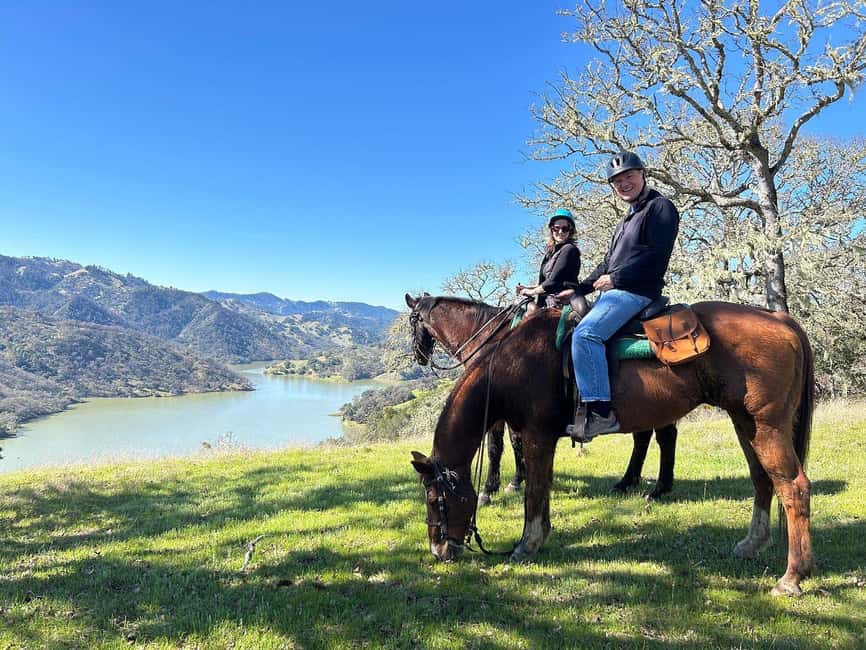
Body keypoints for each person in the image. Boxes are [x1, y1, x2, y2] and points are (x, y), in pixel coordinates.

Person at [558, 152, 680, 440]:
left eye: (629, 176)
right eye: (617, 181)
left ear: (642, 174)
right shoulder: (626, 219)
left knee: (586, 335)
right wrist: (578, 289)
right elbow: (606, 264)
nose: (624, 184)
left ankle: (601, 412)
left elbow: (656, 255)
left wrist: (616, 278)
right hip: (618, 289)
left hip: (637, 291)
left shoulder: (660, 207)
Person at [515, 208, 581, 310]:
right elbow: (544, 283)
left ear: (570, 230)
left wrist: (531, 292)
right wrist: (527, 288)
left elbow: (553, 282)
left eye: (565, 229)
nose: (560, 232)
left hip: (565, 302)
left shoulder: (569, 249)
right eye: (556, 228)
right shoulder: (549, 255)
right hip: (547, 302)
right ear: (551, 229)